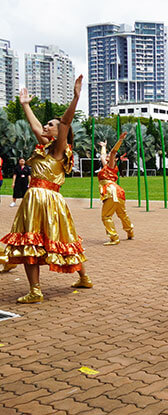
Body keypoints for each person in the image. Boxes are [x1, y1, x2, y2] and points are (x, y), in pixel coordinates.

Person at [1, 76, 92, 303]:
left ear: (58, 131)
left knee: (44, 239)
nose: (46, 126)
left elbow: (66, 122)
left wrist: (75, 97)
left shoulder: (60, 149)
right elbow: (34, 125)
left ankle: (40, 289)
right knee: (47, 239)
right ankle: (74, 280)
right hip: (38, 198)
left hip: (45, 198)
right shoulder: (44, 148)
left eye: (50, 124)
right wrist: (25, 105)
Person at [98, 133, 134, 245]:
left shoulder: (112, 164)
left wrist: (120, 140)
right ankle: (130, 231)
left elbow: (113, 152)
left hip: (111, 190)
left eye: (111, 155)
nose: (108, 155)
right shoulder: (107, 166)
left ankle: (114, 237)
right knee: (122, 214)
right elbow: (102, 156)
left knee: (106, 216)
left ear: (116, 158)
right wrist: (103, 146)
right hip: (118, 191)